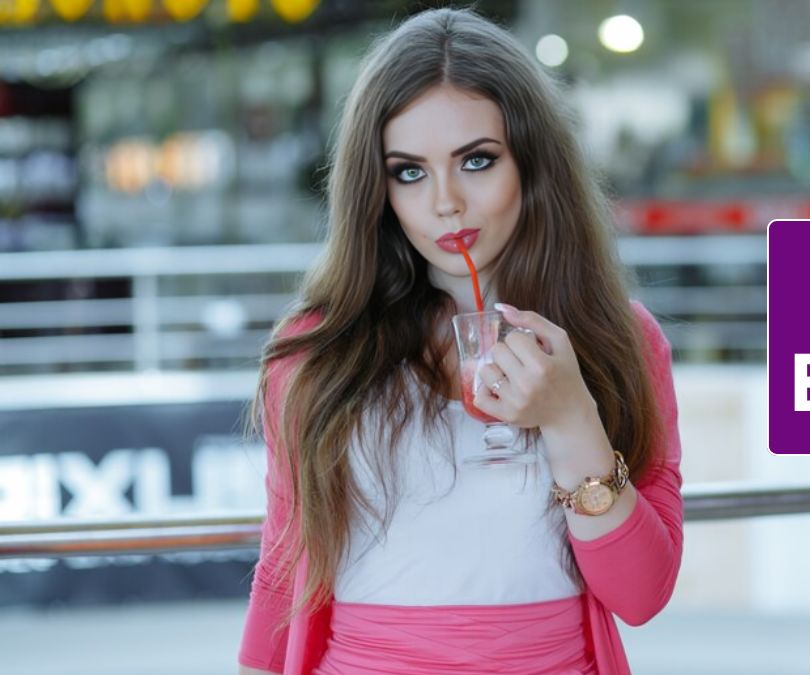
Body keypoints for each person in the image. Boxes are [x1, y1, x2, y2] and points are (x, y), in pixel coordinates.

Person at [236, 7, 684, 675]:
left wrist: (570, 417)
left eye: (476, 160)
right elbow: (282, 572)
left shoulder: (621, 339)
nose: (445, 201)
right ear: (378, 188)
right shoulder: (317, 351)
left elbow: (641, 593)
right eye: (409, 171)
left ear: (533, 165)